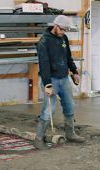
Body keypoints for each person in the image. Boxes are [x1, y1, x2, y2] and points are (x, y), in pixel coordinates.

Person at [35, 14, 84, 150]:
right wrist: (47, 84)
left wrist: (74, 72)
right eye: (62, 29)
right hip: (51, 80)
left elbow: (68, 56)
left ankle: (70, 133)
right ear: (55, 26)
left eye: (65, 30)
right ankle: (38, 139)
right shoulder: (44, 42)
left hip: (64, 78)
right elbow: (43, 64)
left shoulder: (64, 38)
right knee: (48, 110)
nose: (63, 32)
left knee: (70, 106)